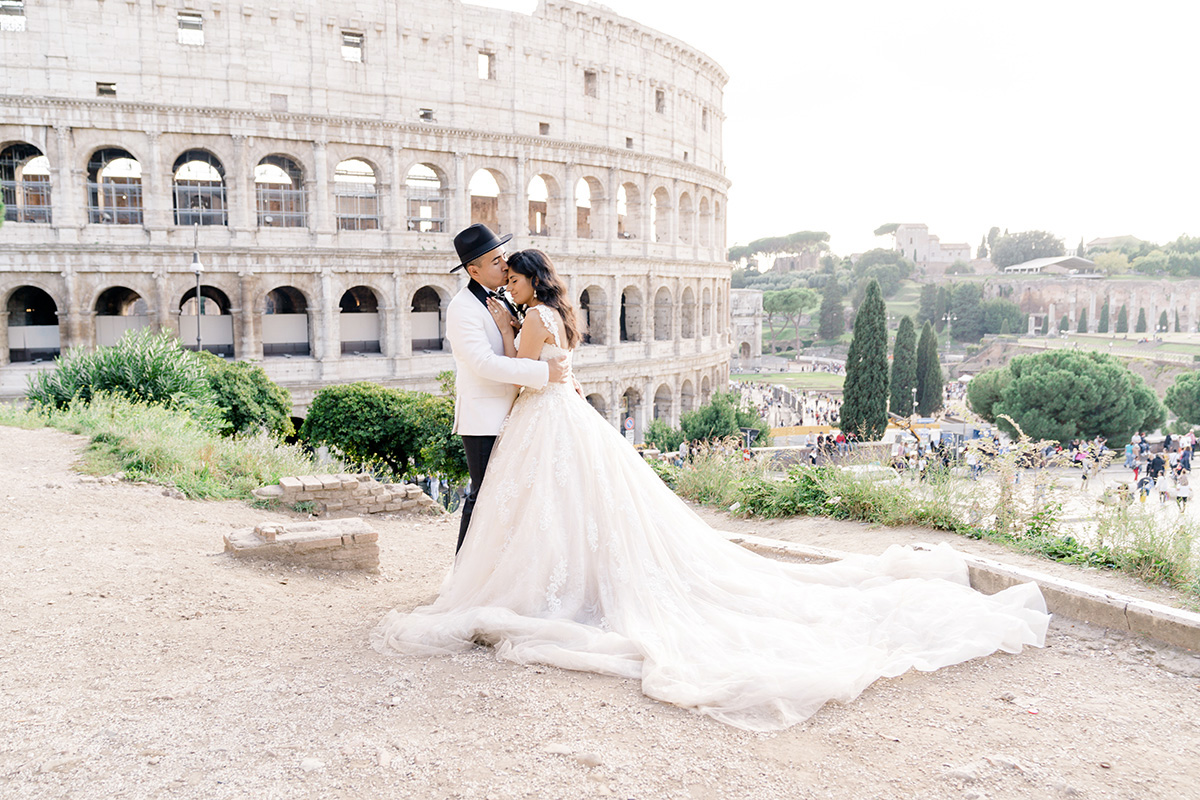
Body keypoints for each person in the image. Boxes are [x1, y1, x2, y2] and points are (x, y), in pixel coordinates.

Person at [373, 250, 1048, 732]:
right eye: (503, 273)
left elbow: (524, 375)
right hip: (560, 418)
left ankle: (542, 584)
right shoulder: (551, 310)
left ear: (525, 278)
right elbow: (553, 368)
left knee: (549, 510)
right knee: (570, 509)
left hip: (541, 417)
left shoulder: (529, 315)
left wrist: (517, 350)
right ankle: (557, 579)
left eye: (513, 274)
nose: (508, 282)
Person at [443, 224, 570, 553]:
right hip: (485, 417)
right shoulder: (462, 308)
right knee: (483, 496)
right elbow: (484, 363)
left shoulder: (504, 298)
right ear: (474, 270)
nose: (505, 265)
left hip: (520, 413)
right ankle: (463, 574)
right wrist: (545, 371)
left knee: (513, 498)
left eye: (504, 258)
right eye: (497, 261)